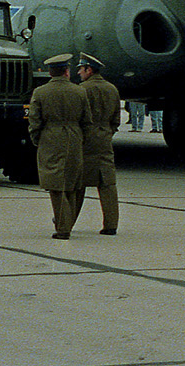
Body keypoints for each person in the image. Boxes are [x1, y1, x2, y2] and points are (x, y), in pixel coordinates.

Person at [27, 55, 88, 240]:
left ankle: (63, 227)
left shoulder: (40, 92)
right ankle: (68, 220)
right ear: (67, 71)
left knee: (55, 185)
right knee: (72, 182)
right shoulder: (79, 91)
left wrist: (37, 138)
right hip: (74, 136)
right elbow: (87, 120)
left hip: (51, 137)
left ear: (50, 72)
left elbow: (34, 120)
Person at [76, 54, 122, 235]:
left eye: (81, 69)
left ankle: (66, 221)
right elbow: (116, 120)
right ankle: (111, 224)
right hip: (104, 140)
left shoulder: (81, 90)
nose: (78, 72)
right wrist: (106, 134)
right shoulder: (112, 89)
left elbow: (77, 117)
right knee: (107, 183)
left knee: (77, 183)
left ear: (89, 69)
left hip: (84, 141)